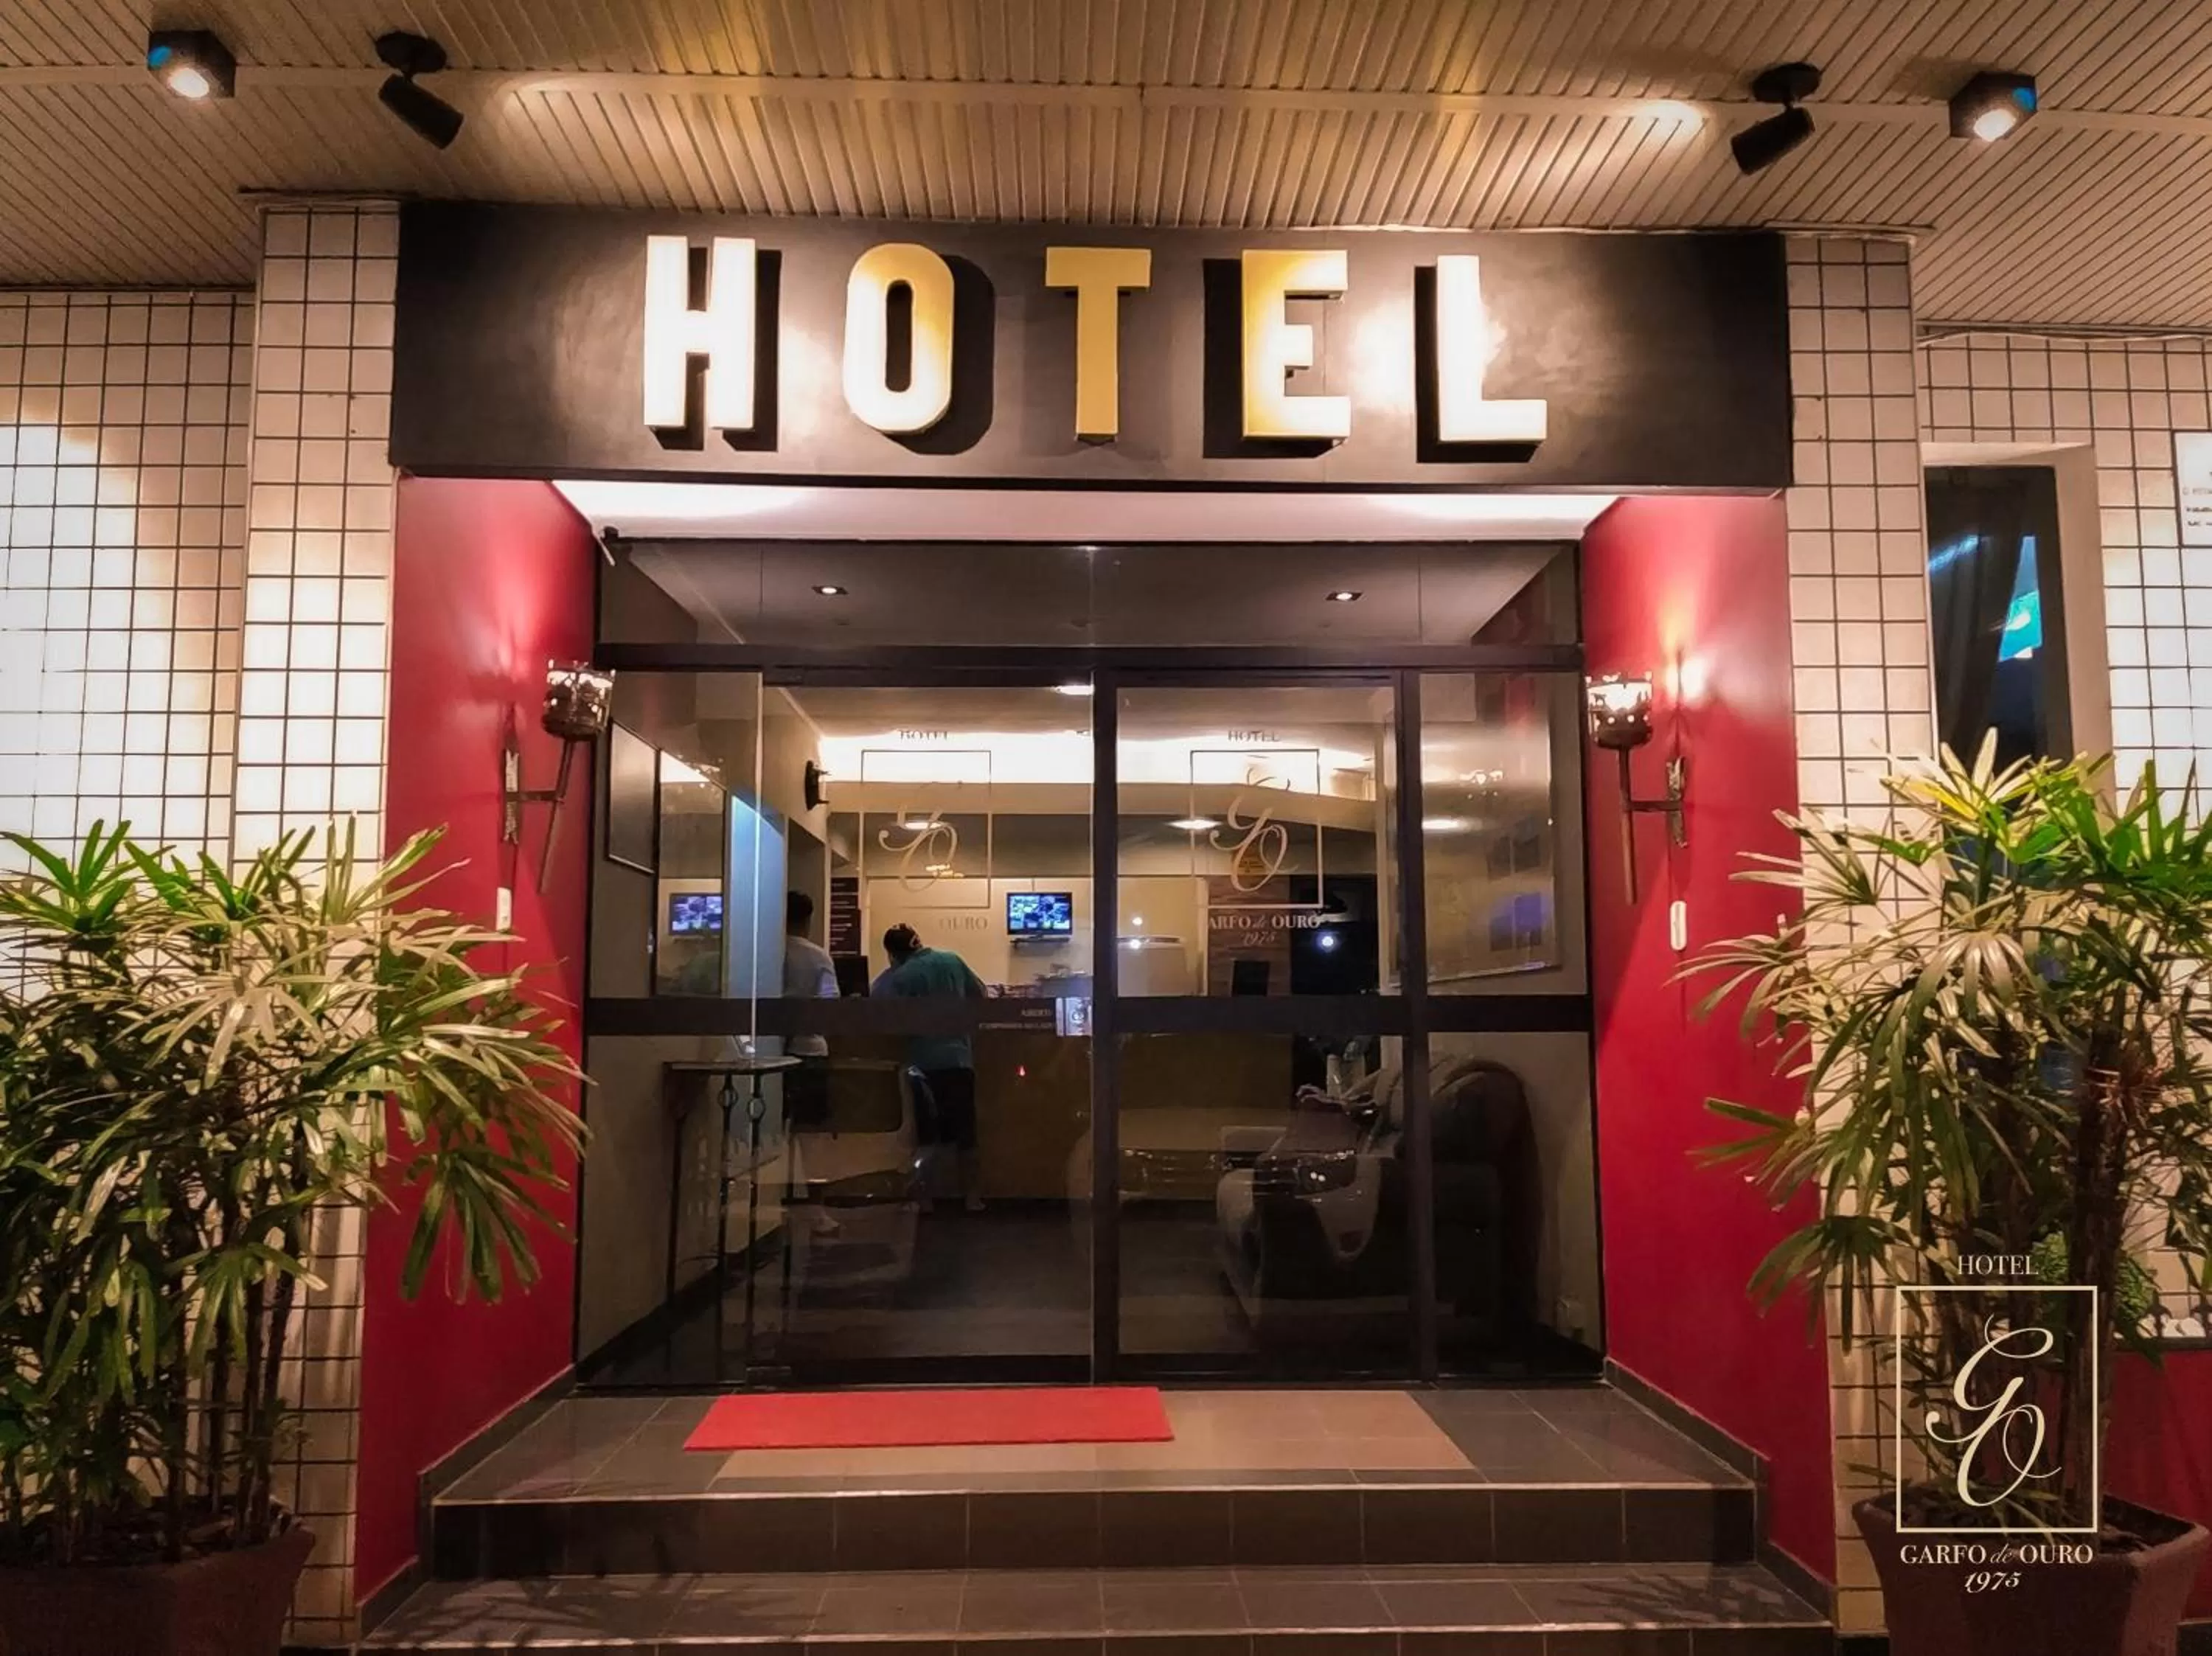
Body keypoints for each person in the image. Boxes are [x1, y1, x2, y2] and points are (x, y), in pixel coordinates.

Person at [874, 922, 990, 1211]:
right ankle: (973, 1198)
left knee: (927, 1135)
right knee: (966, 1134)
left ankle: (925, 1199)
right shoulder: (952, 960)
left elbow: (879, 1010)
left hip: (922, 1062)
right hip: (959, 1059)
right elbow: (981, 994)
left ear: (892, 954)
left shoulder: (900, 977)